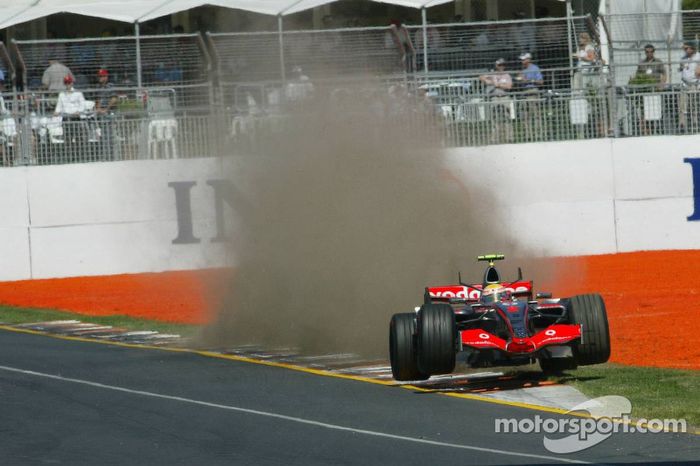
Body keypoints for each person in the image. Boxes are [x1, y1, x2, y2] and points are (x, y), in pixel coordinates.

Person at [479, 58, 513, 143]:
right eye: (499, 65)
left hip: (504, 97)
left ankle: (509, 138)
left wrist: (498, 85)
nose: (501, 67)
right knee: (495, 118)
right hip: (495, 98)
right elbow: (481, 77)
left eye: (503, 65)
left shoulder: (507, 75)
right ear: (496, 66)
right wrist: (488, 81)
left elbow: (509, 86)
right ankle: (495, 139)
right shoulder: (492, 74)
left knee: (507, 117)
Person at [54, 75, 87, 161]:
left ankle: (80, 156)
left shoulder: (78, 93)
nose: (68, 84)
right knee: (67, 139)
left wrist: (79, 111)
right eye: (66, 83)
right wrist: (56, 112)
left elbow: (82, 104)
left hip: (75, 117)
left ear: (72, 83)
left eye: (69, 82)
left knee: (78, 138)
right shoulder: (61, 94)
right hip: (66, 117)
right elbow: (59, 105)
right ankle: (69, 157)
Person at [517, 53, 544, 141]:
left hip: (533, 91)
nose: (522, 61)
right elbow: (519, 81)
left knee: (536, 114)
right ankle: (528, 135)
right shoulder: (522, 70)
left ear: (528, 59)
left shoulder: (535, 68)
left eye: (524, 60)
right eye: (521, 60)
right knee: (525, 115)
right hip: (524, 93)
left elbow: (541, 81)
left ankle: (538, 135)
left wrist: (529, 80)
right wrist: (519, 80)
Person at [95, 68, 118, 159]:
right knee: (104, 136)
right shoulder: (99, 87)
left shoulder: (110, 86)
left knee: (110, 136)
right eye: (100, 76)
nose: (101, 78)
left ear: (106, 76)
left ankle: (112, 157)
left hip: (109, 114)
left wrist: (106, 109)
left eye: (103, 76)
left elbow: (114, 99)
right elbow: (98, 99)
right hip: (102, 115)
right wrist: (98, 108)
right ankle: (106, 157)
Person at [679, 43, 700, 133]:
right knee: (682, 106)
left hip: (694, 84)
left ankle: (695, 125)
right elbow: (681, 68)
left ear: (692, 48)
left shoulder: (698, 56)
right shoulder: (683, 58)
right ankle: (682, 125)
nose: (686, 50)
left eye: (687, 48)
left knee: (694, 105)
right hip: (684, 84)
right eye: (685, 49)